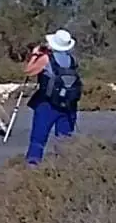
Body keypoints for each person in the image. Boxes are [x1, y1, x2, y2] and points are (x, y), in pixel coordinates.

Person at [26, 29, 83, 165]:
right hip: (69, 105)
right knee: (64, 140)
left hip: (47, 104)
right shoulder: (72, 60)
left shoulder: (46, 59)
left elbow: (29, 71)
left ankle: (33, 165)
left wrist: (35, 54)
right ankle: (63, 166)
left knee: (38, 138)